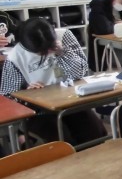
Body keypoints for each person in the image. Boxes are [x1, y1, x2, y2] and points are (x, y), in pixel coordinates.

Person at [0, 17, 106, 145]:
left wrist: (63, 52)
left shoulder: (64, 36)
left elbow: (81, 72)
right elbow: (7, 95)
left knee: (95, 134)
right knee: (63, 141)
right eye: (40, 52)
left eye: (48, 49)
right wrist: (27, 93)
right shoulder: (16, 56)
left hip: (71, 101)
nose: (46, 54)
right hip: (39, 112)